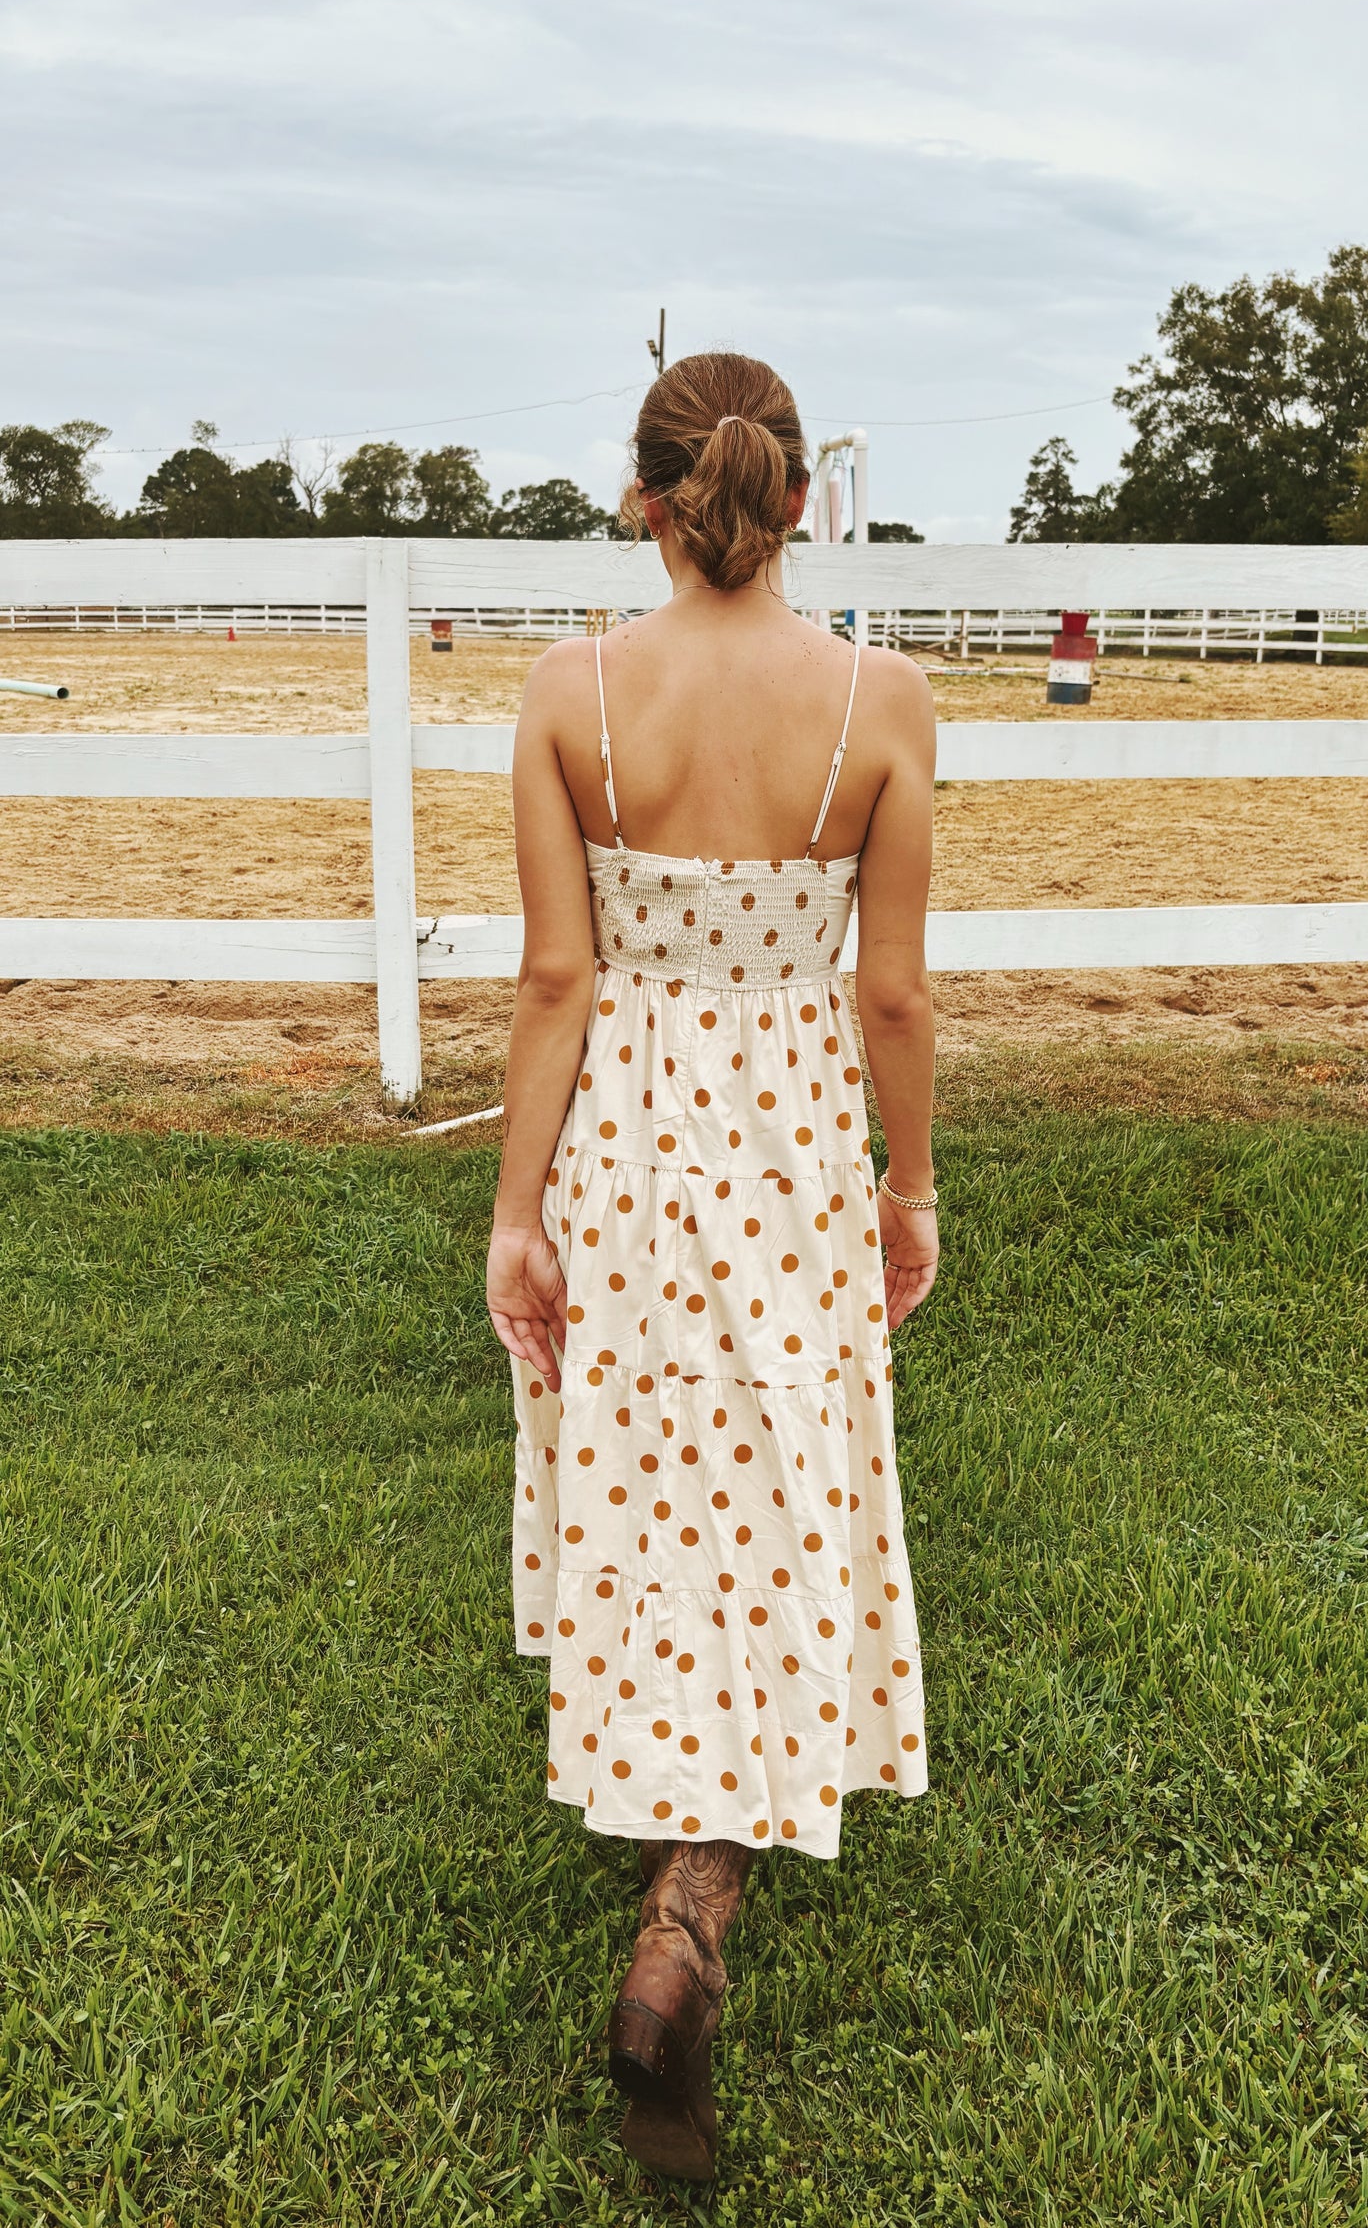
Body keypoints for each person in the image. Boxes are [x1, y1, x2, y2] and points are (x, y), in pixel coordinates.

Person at [486, 350, 939, 2180]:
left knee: (651, 1467)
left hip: (628, 1127)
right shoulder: (880, 700)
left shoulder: (569, 690)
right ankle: (694, 1901)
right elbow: (890, 990)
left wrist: (518, 1210)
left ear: (647, 498)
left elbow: (550, 981)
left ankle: (680, 1854)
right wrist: (909, 1186)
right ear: (800, 499)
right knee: (776, 1477)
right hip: (788, 1134)